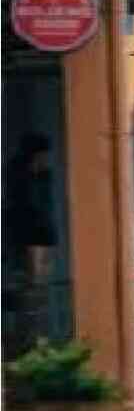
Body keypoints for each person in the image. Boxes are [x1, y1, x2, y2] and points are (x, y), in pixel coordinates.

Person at [3, 134, 60, 359]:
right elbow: (32, 208)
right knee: (33, 287)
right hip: (30, 235)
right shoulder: (23, 177)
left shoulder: (38, 176)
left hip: (39, 234)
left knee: (37, 287)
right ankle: (30, 340)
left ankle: (33, 338)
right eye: (43, 155)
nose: (46, 160)